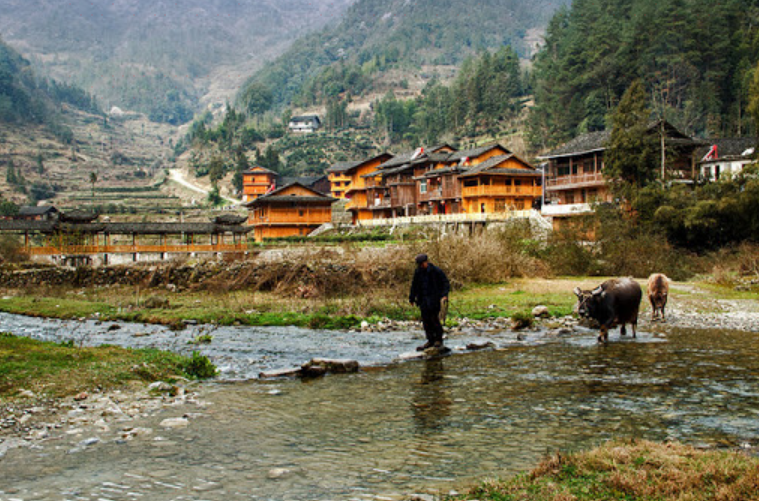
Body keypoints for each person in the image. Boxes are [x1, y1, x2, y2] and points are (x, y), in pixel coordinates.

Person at [408, 254, 450, 351]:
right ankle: (430, 340)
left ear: (426, 262)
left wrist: (444, 295)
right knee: (426, 321)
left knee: (434, 319)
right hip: (423, 300)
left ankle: (438, 340)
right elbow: (414, 285)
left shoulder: (436, 271)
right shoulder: (418, 272)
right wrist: (412, 298)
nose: (421, 265)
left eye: (422, 263)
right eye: (420, 264)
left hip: (434, 299)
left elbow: (445, 283)